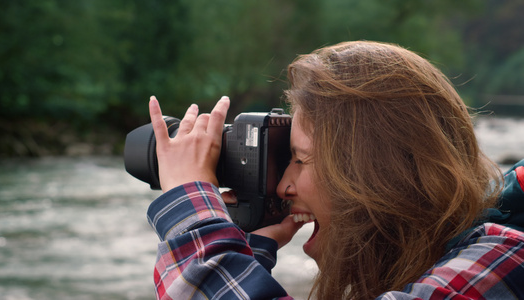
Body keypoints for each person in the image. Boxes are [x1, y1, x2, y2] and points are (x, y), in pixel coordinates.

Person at [146, 41, 524, 299]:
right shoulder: (445, 260)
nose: (283, 187)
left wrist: (190, 205)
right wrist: (252, 249)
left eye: (301, 159)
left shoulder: (503, 258)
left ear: (375, 171)